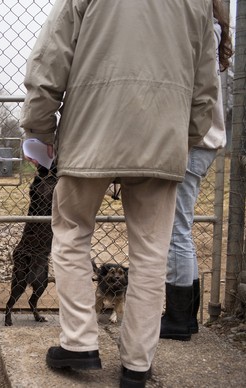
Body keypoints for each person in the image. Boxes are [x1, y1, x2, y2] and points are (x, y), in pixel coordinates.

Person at [19, 1, 218, 387]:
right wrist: (182, 139)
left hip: (90, 134)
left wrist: (38, 130)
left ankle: (78, 341)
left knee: (72, 232)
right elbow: (205, 86)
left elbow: (49, 60)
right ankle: (137, 364)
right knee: (151, 249)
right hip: (162, 137)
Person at [160, 0, 234, 342]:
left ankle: (177, 318)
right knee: (181, 229)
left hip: (194, 141)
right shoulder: (213, 31)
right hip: (202, 140)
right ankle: (185, 317)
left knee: (176, 230)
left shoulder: (203, 30)